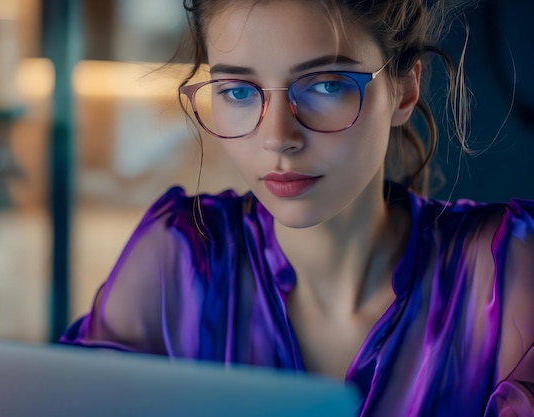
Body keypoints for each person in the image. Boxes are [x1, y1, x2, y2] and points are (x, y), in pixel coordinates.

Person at [61, 0, 534, 415]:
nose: (278, 138)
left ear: (404, 91)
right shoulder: (179, 257)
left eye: (326, 85)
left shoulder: (503, 273)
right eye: (239, 91)